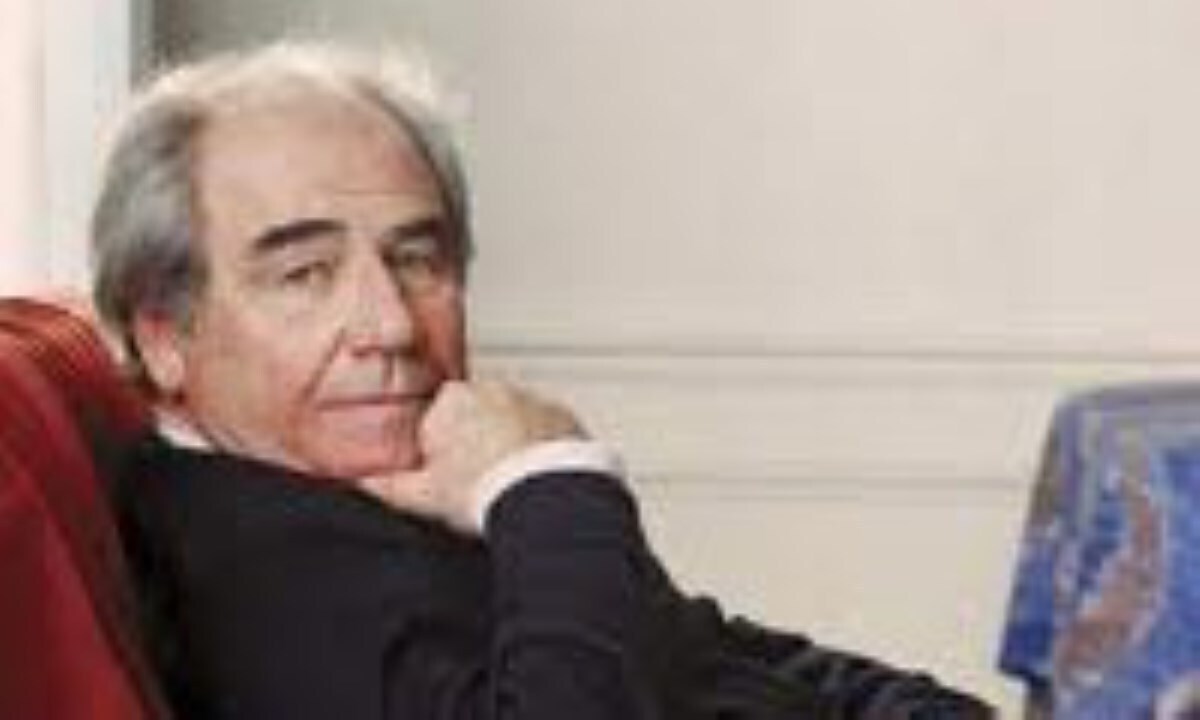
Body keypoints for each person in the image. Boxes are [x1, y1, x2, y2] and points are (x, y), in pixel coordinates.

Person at [91, 42, 992, 719]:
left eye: (418, 259)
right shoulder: (253, 573)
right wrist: (549, 482)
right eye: (304, 275)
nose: (391, 325)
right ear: (164, 336)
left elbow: (700, 649)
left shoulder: (380, 483)